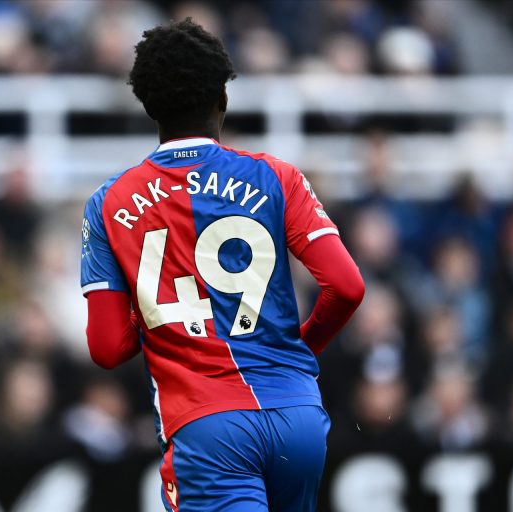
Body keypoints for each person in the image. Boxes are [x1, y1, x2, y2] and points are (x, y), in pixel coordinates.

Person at [80, 19, 364, 512]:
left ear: (148, 107)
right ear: (222, 100)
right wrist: (301, 350)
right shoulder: (277, 177)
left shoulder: (109, 203)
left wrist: (159, 308)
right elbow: (347, 286)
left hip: (207, 426)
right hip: (297, 416)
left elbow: (107, 348)